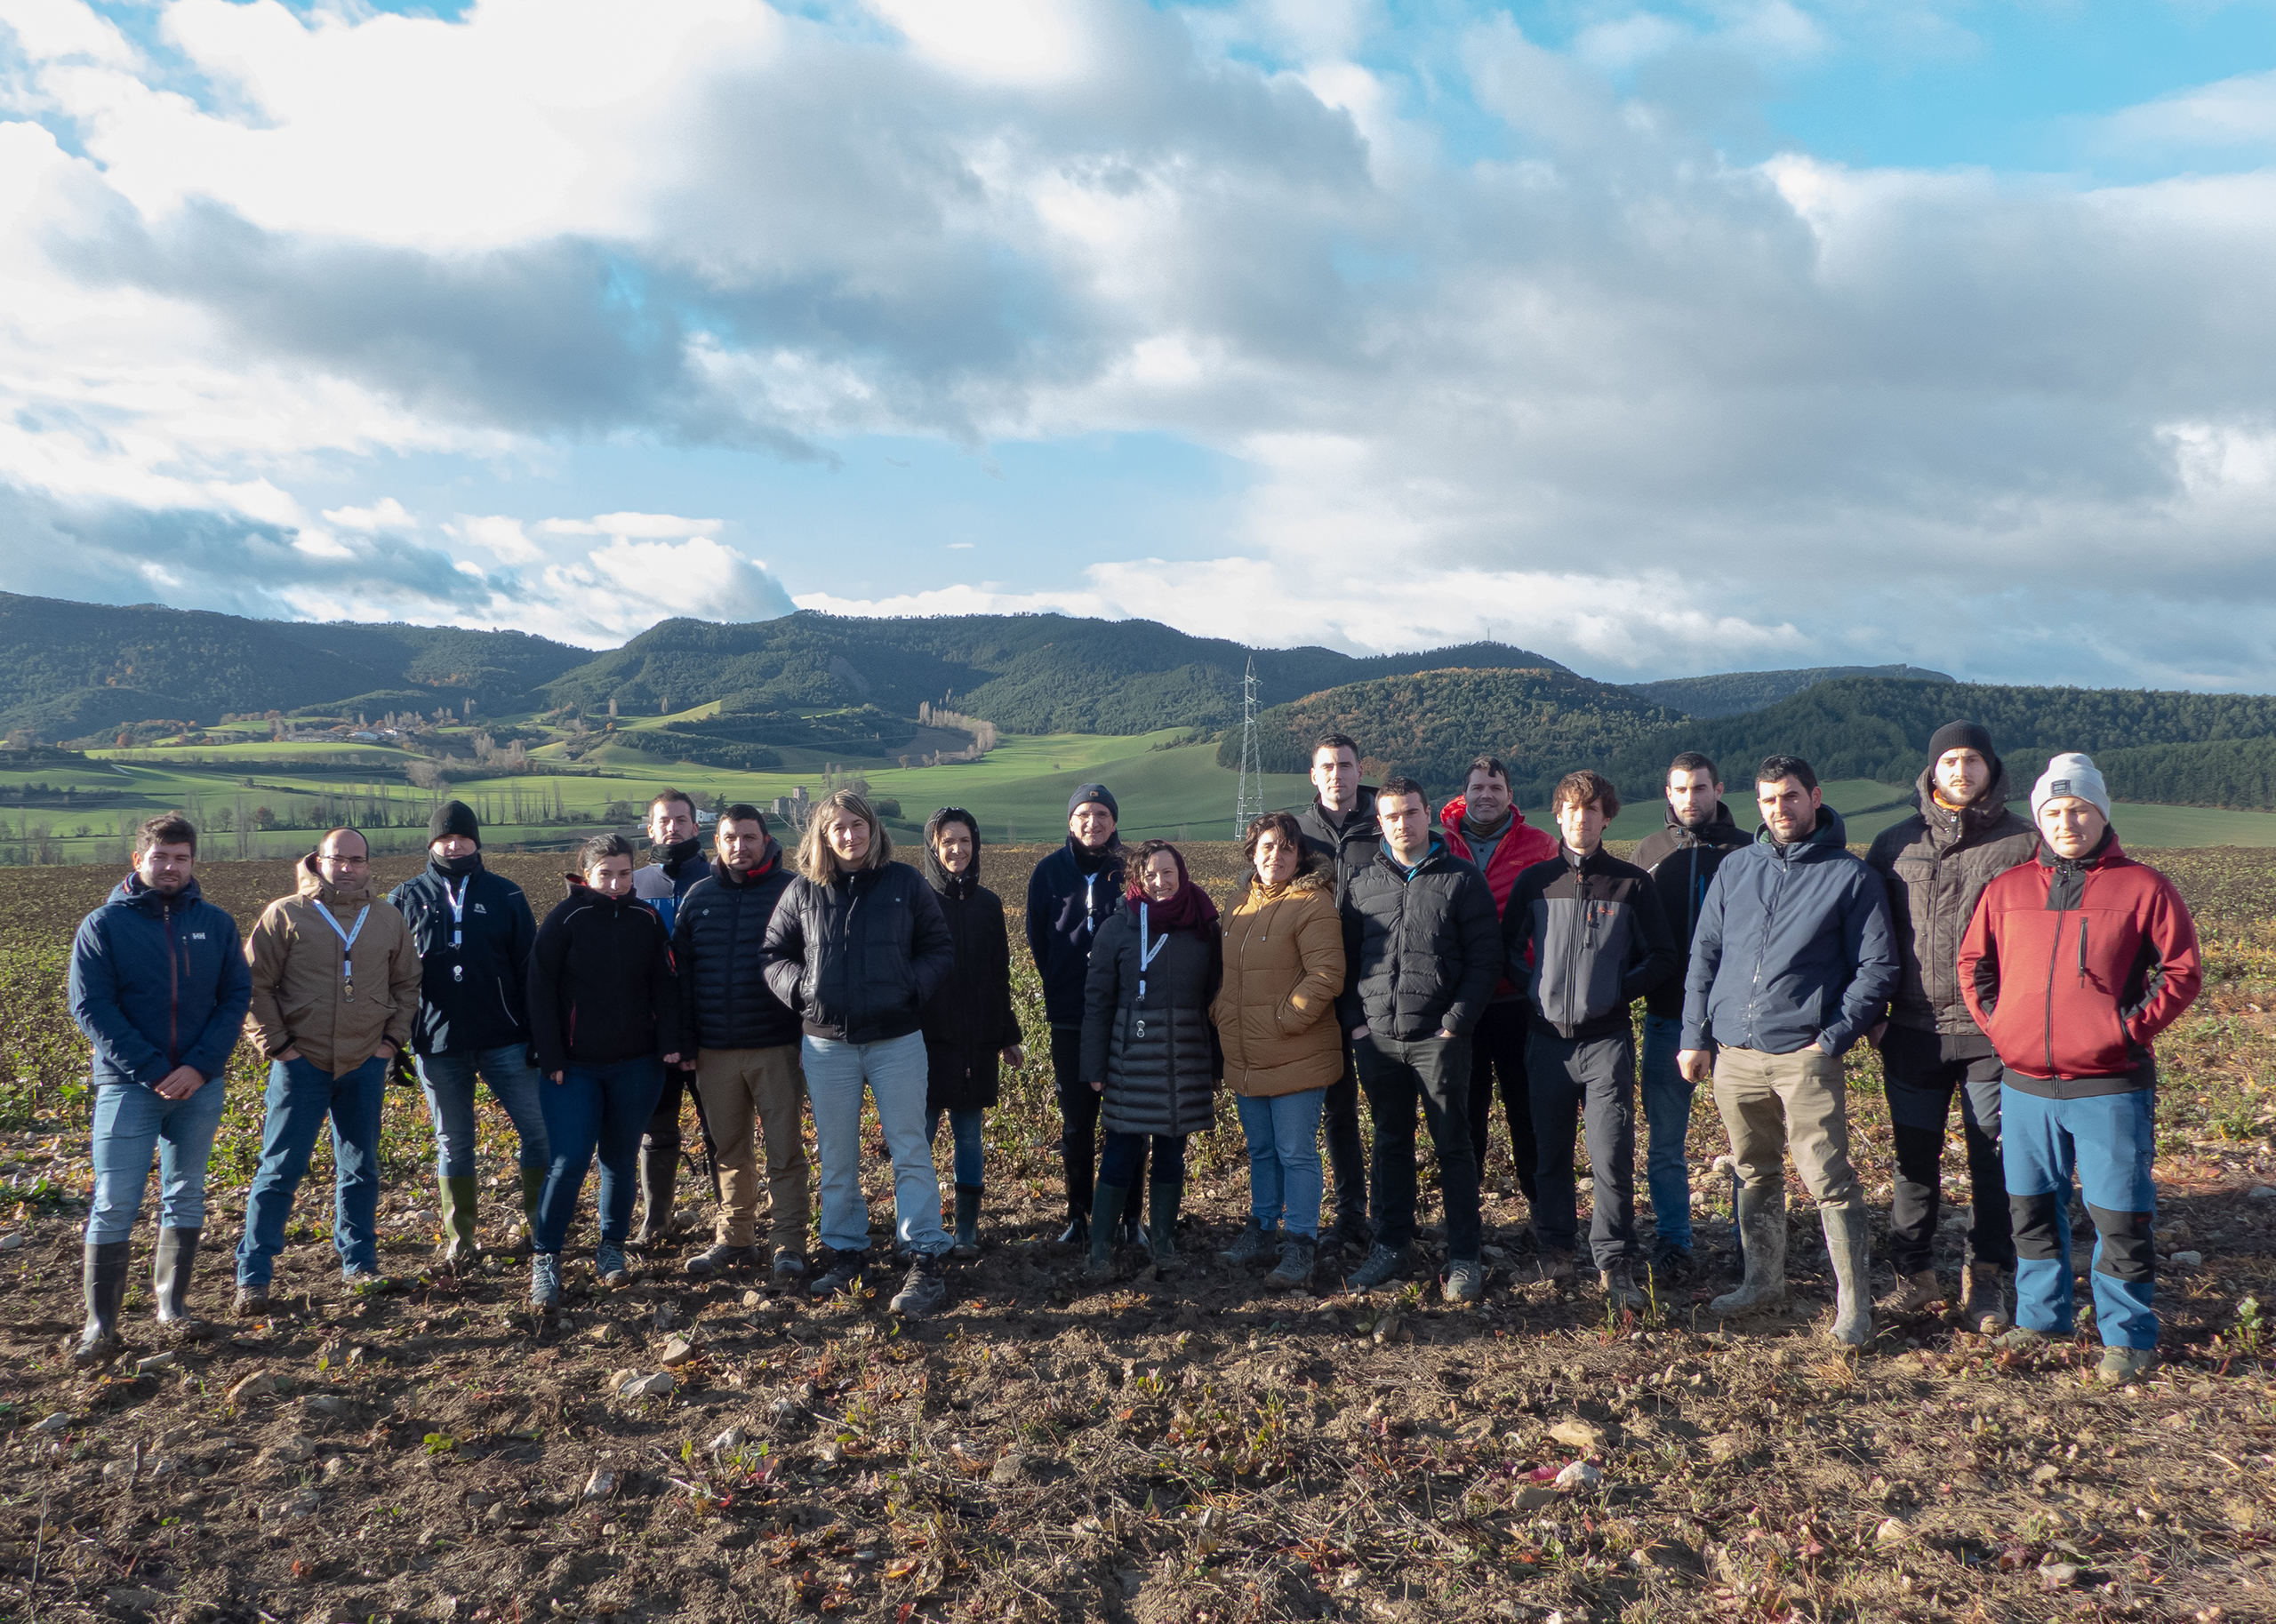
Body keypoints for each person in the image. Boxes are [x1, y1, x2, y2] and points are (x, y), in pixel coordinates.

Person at [1959, 755, 2202, 1385]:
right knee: (2031, 1208)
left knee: (2117, 1211)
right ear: (2039, 818)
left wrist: (2124, 1030)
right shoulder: (2007, 889)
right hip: (2026, 1084)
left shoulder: (2144, 887)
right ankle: (2043, 1319)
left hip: (2109, 1084)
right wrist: (2001, 1025)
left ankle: (2127, 1336)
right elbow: (1973, 964)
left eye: (2079, 810)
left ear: (2101, 813)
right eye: (2054, 811)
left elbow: (2182, 971)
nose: (2067, 822)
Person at [1679, 757, 1897, 1346]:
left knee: (1829, 1178)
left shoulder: (1849, 877)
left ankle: (1854, 1306)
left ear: (1815, 797)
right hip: (1734, 1053)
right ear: (1758, 804)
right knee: (1753, 1168)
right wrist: (1695, 1034)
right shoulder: (1735, 870)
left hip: (1805, 1056)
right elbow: (1705, 955)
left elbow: (1878, 967)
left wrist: (1832, 1037)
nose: (1781, 808)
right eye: (1770, 799)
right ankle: (1762, 1280)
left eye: (1792, 796)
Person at [1865, 722, 2037, 1330]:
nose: (1960, 770)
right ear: (1932, 770)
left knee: (1992, 1161)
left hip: (1991, 1034)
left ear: (1992, 768)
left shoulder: (2024, 843)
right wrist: (1875, 1020)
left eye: (1972, 760)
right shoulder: (1893, 844)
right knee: (1914, 1160)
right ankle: (1913, 1276)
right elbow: (1871, 935)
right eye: (1949, 760)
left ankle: (1986, 1279)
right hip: (1911, 1031)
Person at [762, 790, 957, 1316]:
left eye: (858, 824)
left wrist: (908, 988)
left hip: (897, 1040)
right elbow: (773, 954)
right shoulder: (804, 890)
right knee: (838, 1155)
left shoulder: (905, 884)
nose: (849, 835)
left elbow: (939, 948)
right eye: (838, 827)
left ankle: (923, 1254)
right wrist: (805, 991)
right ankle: (846, 1252)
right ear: (822, 836)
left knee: (910, 1147)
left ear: (873, 829)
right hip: (827, 1045)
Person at [67, 813, 251, 1359]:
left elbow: (234, 998)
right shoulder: (103, 926)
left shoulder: (215, 924)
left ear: (194, 862)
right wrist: (152, 1070)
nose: (170, 867)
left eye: (181, 858)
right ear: (138, 861)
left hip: (199, 1085)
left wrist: (199, 1066)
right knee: (115, 1200)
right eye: (160, 857)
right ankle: (101, 1325)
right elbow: (92, 1007)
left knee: (186, 1193)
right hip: (128, 1086)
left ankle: (172, 1305)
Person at [1507, 772, 1678, 1308]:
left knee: (1611, 1156)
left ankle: (1615, 1263)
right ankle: (1555, 1251)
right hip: (1545, 1042)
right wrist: (1535, 990)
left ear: (1608, 817)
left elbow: (1662, 958)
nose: (1582, 819)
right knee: (1550, 1154)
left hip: (1606, 1044)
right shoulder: (1534, 883)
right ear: (1557, 815)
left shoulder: (1631, 884)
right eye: (1571, 809)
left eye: (1593, 810)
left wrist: (1612, 992)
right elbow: (1508, 950)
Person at [236, 828, 421, 1314]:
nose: (347, 868)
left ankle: (358, 1263)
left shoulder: (386, 918)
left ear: (367, 864)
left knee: (360, 1168)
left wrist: (390, 1044)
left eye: (356, 860)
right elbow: (254, 985)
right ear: (319, 861)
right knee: (279, 1169)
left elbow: (407, 985)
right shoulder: (286, 914)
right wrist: (278, 1046)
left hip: (364, 1062)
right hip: (303, 1063)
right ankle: (254, 1274)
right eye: (337, 859)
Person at [1339, 776, 1501, 1301]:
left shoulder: (1461, 879)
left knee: (1454, 1146)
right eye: (1391, 816)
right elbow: (1343, 960)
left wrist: (1456, 1022)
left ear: (1427, 813)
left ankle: (1464, 1256)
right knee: (1389, 1143)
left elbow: (1484, 960)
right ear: (1379, 822)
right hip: (1379, 1039)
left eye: (1410, 813)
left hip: (1439, 1039)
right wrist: (1358, 1026)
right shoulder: (1363, 883)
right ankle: (1390, 1245)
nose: (1402, 823)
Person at [385, 800, 547, 1270]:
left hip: (506, 1039)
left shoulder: (507, 895)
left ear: (477, 841)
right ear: (432, 843)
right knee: (454, 1141)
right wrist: (397, 1040)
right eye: (444, 838)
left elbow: (527, 970)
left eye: (463, 837)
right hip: (437, 1045)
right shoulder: (403, 898)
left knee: (538, 1132)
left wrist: (536, 1032)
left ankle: (542, 1226)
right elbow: (391, 977)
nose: (454, 845)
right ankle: (462, 1237)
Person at [525, 834, 683, 1309]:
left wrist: (671, 1043)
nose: (615, 884)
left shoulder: (647, 919)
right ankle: (546, 1258)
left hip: (636, 1066)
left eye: (623, 874)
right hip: (574, 1068)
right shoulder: (566, 919)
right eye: (605, 874)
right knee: (568, 1160)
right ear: (585, 874)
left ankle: (611, 1250)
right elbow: (539, 989)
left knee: (619, 1158)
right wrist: (550, 1055)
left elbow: (667, 986)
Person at [671, 804, 807, 1282]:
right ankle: (736, 1239)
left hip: (777, 1046)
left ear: (765, 839)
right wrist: (686, 1042)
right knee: (728, 1149)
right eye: (730, 838)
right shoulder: (698, 897)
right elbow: (682, 979)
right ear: (718, 843)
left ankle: (789, 1242)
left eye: (749, 838)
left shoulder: (793, 890)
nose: (739, 847)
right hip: (715, 1051)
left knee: (784, 1150)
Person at [1079, 840, 1223, 1281]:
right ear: (1136, 879)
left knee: (1172, 1155)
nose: (1160, 883)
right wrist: (1094, 1068)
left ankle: (1163, 1241)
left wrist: (1216, 1065)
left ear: (1182, 875)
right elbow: (1097, 1002)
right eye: (1151, 875)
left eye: (1169, 874)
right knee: (1121, 1153)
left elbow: (1216, 999)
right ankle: (1099, 1248)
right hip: (1131, 1060)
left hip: (1186, 1057)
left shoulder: (1204, 925)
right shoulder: (1117, 928)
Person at [1631, 751, 1750, 1283]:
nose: (1690, 799)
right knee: (1665, 1142)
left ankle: (1750, 1243)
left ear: (1718, 789)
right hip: (1666, 1016)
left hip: (1735, 1024)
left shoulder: (1748, 850)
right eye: (1680, 790)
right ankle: (1674, 1241)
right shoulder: (1650, 853)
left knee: (1746, 1143)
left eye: (1700, 788)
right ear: (1668, 793)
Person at [1213, 812, 1343, 1292]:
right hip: (1245, 1053)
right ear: (1252, 852)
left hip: (1297, 1053)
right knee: (1262, 1150)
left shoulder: (1312, 903)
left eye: (1287, 848)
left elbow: (1327, 974)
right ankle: (1262, 1229)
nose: (1276, 856)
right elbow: (1226, 976)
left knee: (1295, 1152)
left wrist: (1284, 1020)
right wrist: (1222, 1012)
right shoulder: (1236, 904)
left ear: (1300, 856)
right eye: (1267, 846)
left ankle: (1301, 1243)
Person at [1438, 755, 1556, 1228]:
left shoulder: (1540, 845)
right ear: (1463, 793)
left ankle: (1542, 1208)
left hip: (1517, 1001)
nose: (1486, 795)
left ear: (1511, 794)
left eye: (1495, 786)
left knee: (1527, 1109)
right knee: (1464, 1112)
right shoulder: (1438, 843)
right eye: (1477, 787)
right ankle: (1462, 1214)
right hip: (1462, 1003)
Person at [1024, 783, 1132, 1247]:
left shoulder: (1132, 868)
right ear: (1070, 822)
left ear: (1114, 821)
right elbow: (1038, 941)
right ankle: (1079, 1215)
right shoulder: (1048, 872)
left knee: (1128, 1120)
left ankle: (1130, 1217)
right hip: (1069, 1015)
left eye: (1102, 814)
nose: (1094, 823)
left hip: (1127, 1015)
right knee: (1076, 1123)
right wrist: (1063, 986)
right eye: (1084, 814)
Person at [918, 807, 1025, 1260]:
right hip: (926, 1040)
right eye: (947, 843)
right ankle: (918, 1224)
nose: (957, 851)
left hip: (977, 1039)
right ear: (934, 848)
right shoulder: (919, 901)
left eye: (964, 841)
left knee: (968, 1135)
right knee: (918, 1136)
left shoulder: (989, 905)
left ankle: (965, 1230)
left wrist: (1008, 1032)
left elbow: (999, 973)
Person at [1290, 734, 1378, 1253]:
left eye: (1345, 765)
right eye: (1327, 766)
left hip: (1376, 984)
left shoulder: (1385, 824)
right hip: (1318, 986)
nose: (1337, 775)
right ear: (1313, 774)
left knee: (1391, 1105)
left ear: (1359, 769)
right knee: (1337, 1106)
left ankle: (1393, 1211)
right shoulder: (1296, 833)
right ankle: (1349, 1213)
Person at [629, 788, 713, 1247]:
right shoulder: (636, 884)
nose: (673, 828)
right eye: (665, 820)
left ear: (696, 827)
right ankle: (655, 1219)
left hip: (710, 1028)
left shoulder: (718, 879)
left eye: (682, 820)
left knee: (720, 1130)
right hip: (654, 1032)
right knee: (657, 1129)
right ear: (651, 828)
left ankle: (730, 1221)